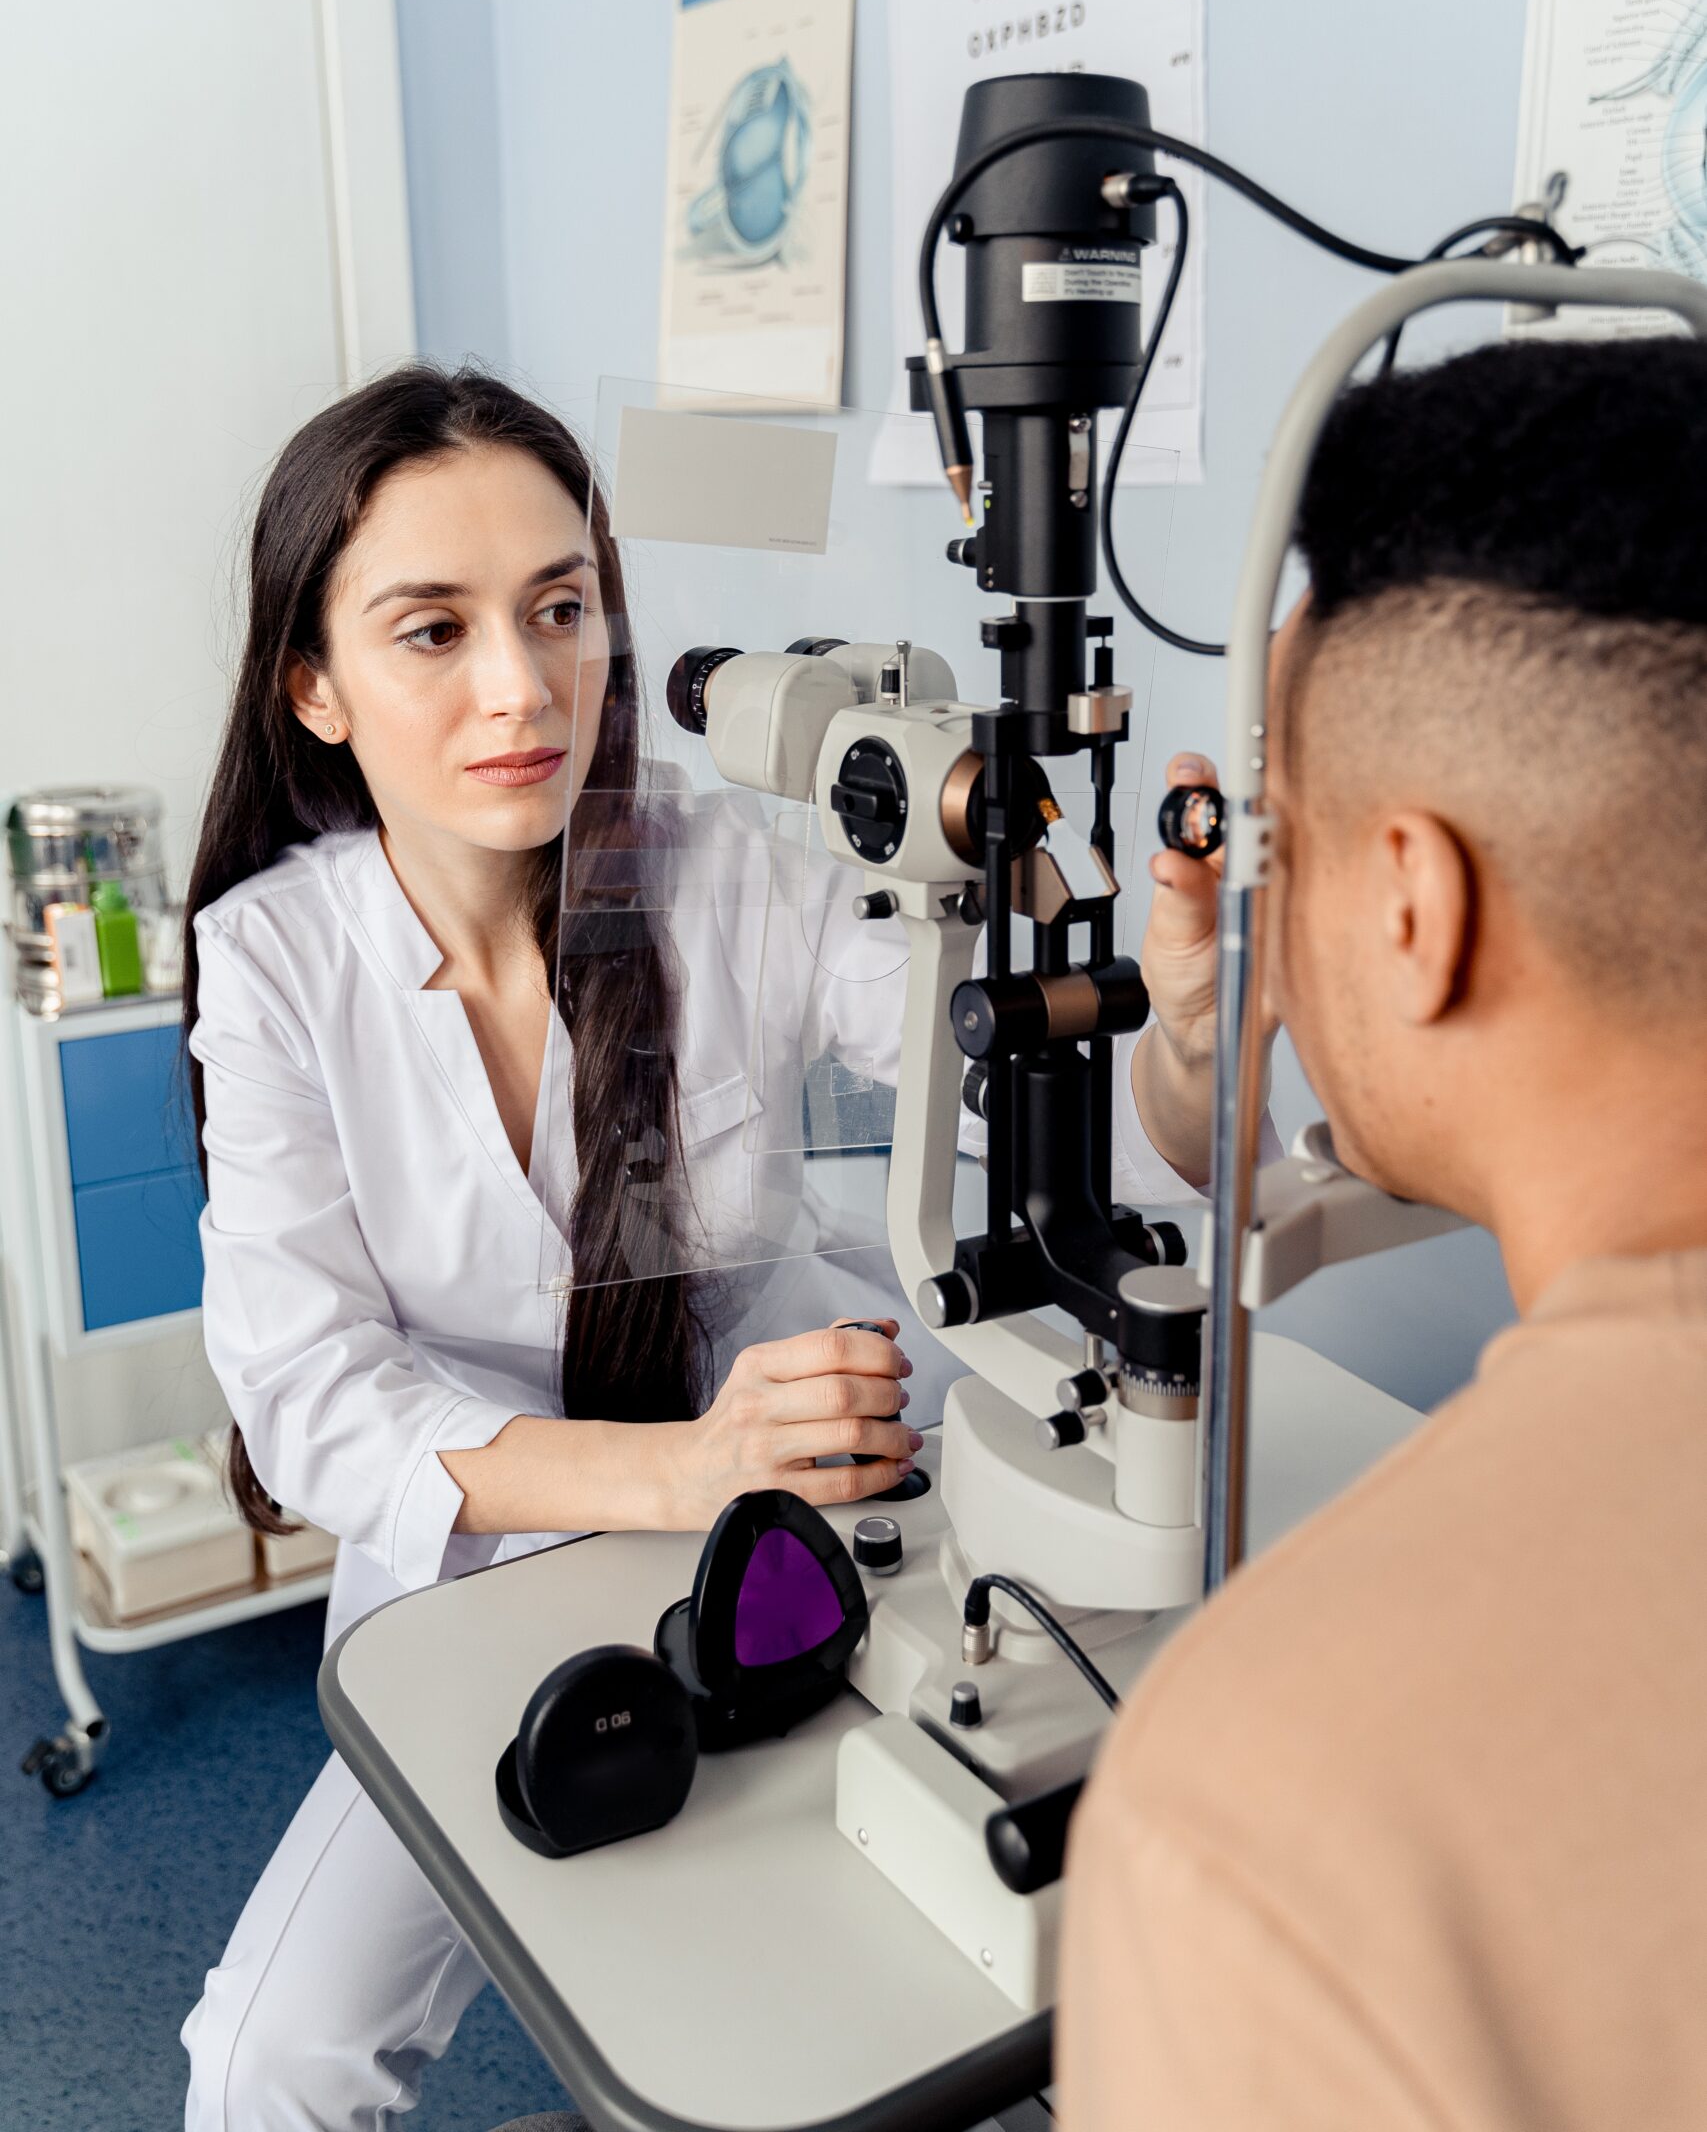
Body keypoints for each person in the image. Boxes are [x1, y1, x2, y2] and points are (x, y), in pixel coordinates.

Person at [177, 365, 1222, 2131]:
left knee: (967, 1987)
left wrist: (1174, 1027)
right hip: (478, 1572)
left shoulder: (721, 874)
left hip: (825, 1518)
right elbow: (311, 1397)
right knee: (266, 2065)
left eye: (561, 609)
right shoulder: (275, 962)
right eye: (431, 631)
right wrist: (695, 1469)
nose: (525, 689)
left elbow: (1037, 1112)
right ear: (317, 686)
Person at [1061, 336, 1707, 2131]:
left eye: (1278, 839)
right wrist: (1221, 1028)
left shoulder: (1274, 1800)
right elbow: (1245, 1155)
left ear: (1414, 902)